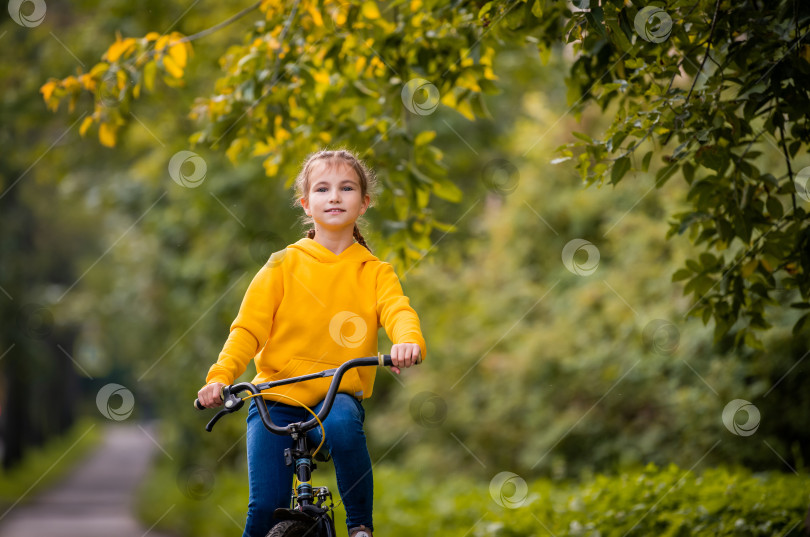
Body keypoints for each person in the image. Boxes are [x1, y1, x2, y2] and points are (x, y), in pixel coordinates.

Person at [196, 149, 427, 537]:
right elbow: (247, 331)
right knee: (265, 510)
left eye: (346, 188)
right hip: (275, 399)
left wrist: (407, 340)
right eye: (323, 188)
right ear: (306, 203)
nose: (334, 196)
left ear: (364, 203)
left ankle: (359, 528)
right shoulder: (282, 265)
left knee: (342, 425)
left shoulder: (374, 272)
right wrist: (220, 377)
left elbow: (398, 310)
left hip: (334, 396)